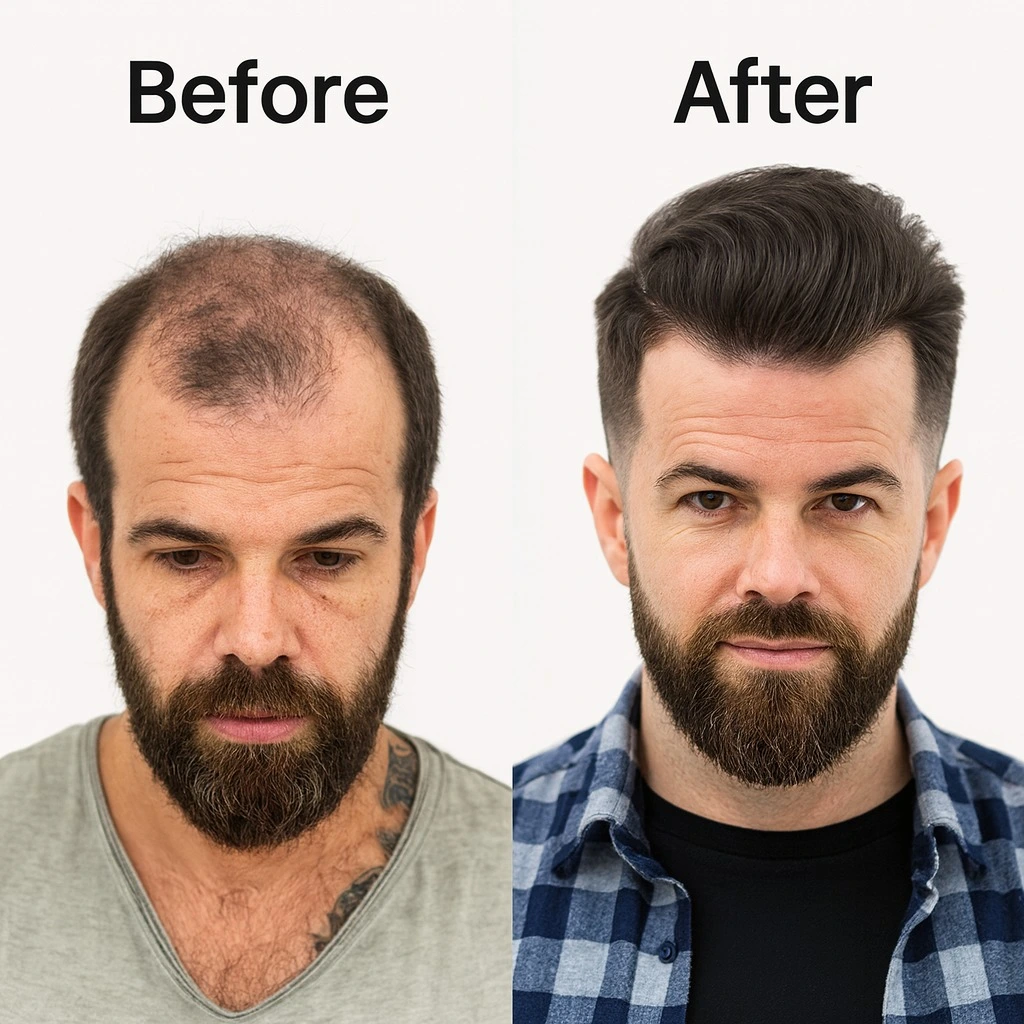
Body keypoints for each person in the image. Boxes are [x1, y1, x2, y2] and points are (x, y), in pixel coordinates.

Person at [512, 167, 1024, 1022]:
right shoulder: (483, 881)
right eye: (711, 500)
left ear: (932, 524)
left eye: (845, 502)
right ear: (614, 520)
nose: (778, 573)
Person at [0, 236, 509, 1021]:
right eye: (185, 557)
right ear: (94, 548)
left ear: (415, 550)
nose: (257, 637)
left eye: (327, 559)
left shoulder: (528, 895)